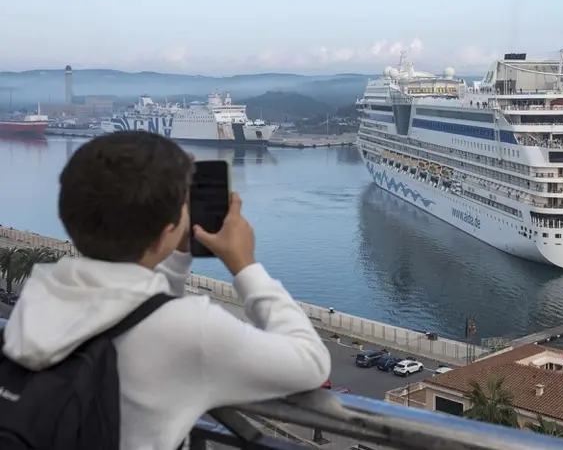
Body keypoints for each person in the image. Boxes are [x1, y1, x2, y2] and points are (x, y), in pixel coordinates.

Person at [1, 131, 331, 449]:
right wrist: (245, 266)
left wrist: (177, 251)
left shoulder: (43, 291)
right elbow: (311, 363)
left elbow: (139, 310)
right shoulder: (191, 330)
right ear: (166, 231)